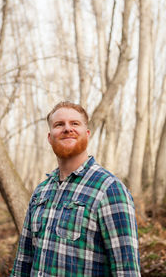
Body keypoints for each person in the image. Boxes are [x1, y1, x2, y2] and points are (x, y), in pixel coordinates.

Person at [10, 101, 141, 277]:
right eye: (59, 124)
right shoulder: (40, 192)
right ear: (50, 137)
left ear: (87, 134)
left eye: (74, 123)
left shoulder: (110, 190)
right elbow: (23, 261)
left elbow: (127, 271)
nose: (67, 128)